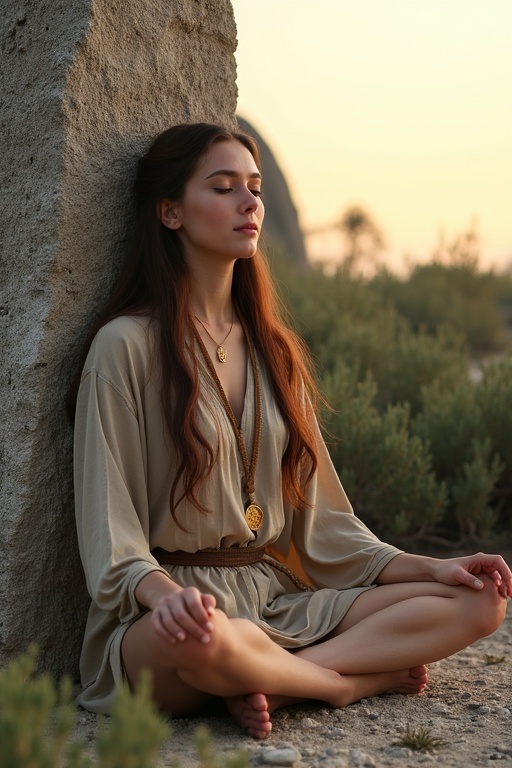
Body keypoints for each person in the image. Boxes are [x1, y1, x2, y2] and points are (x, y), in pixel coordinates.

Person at [69, 122, 511, 740]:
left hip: (279, 604)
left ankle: (276, 675)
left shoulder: (275, 354)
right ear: (169, 212)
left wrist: (430, 568)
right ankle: (341, 682)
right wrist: (164, 597)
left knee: (480, 601)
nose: (250, 203)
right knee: (216, 638)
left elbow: (327, 529)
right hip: (175, 620)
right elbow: (111, 535)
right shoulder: (124, 348)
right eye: (224, 188)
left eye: (254, 187)